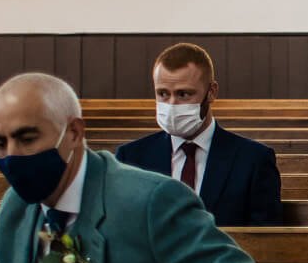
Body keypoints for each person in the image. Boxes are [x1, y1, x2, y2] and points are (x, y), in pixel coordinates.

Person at [0, 72, 272, 263]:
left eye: (27, 139)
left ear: (74, 132)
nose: (11, 155)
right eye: (0, 143)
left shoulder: (152, 201)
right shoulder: (15, 209)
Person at [115, 42, 283, 227]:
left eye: (184, 94)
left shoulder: (253, 160)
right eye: (162, 93)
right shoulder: (130, 157)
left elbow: (266, 240)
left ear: (211, 92)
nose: (171, 104)